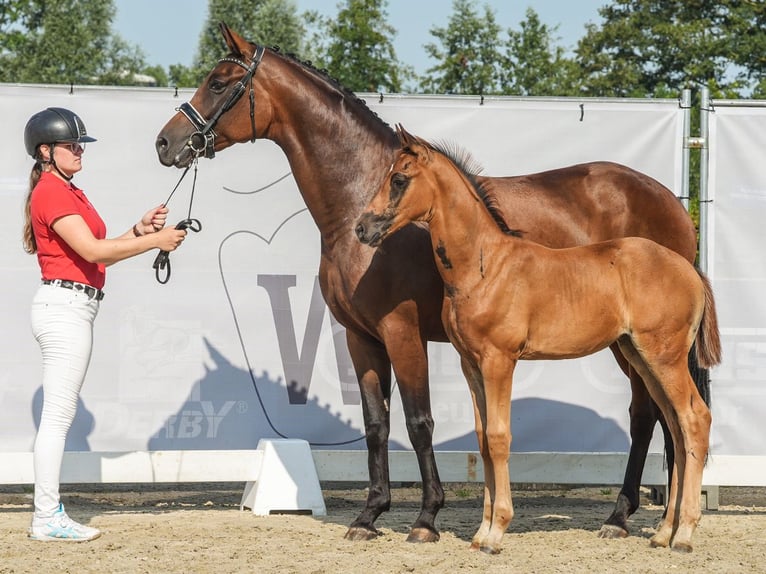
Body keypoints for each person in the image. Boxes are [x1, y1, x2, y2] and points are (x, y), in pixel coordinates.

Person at [22, 107, 188, 542]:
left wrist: (138, 229)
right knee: (58, 419)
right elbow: (94, 253)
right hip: (65, 307)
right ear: (46, 151)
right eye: (71, 145)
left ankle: (47, 514)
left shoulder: (68, 190)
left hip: (74, 305)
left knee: (59, 416)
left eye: (80, 145)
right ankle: (45, 517)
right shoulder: (53, 193)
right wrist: (155, 240)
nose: (80, 151)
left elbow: (94, 248)